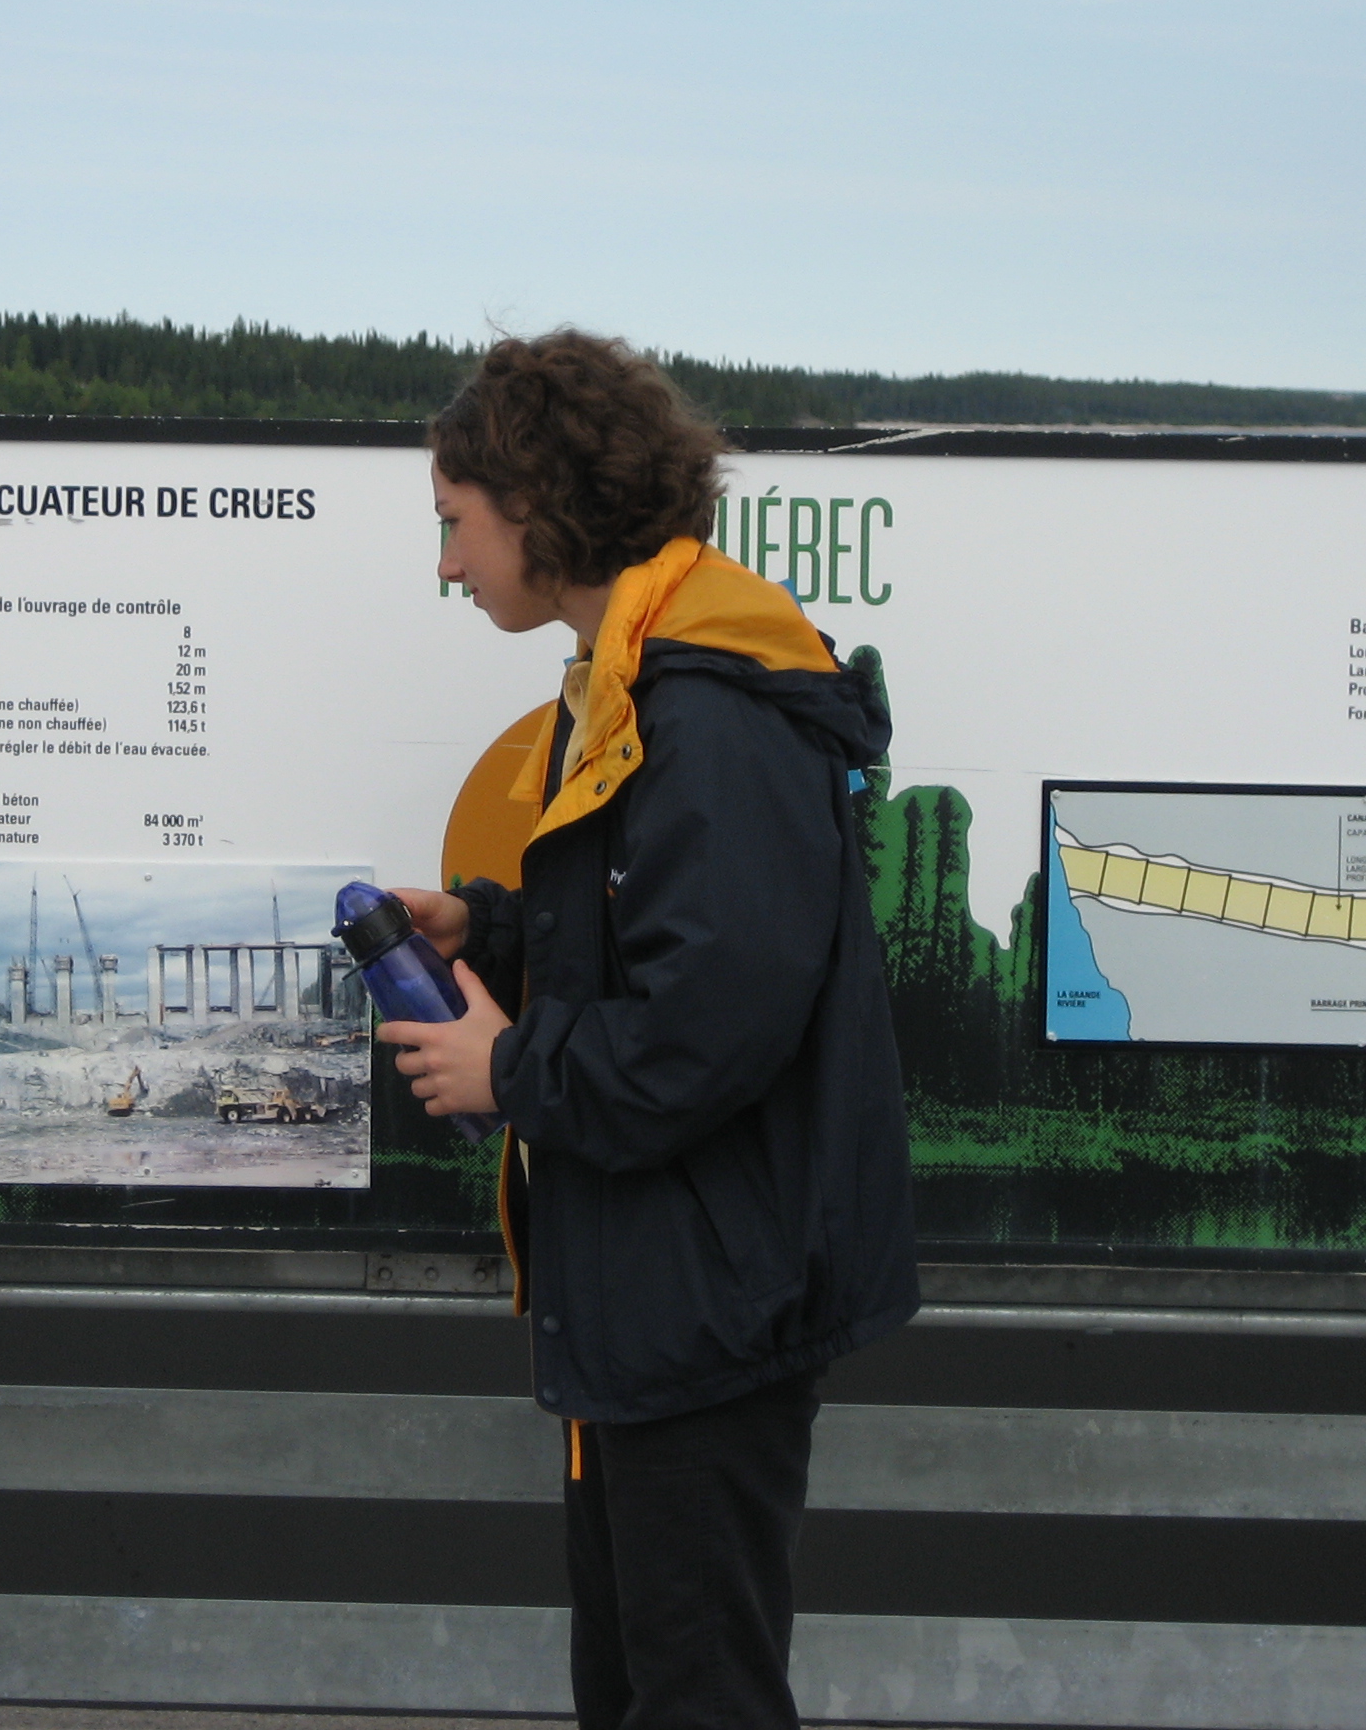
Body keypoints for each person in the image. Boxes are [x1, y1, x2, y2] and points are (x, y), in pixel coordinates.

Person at [380, 331, 918, 1730]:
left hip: (705, 1313)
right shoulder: (637, 680)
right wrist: (490, 931)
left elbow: (703, 1033)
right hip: (650, 1298)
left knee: (696, 1697)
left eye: (453, 524)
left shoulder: (711, 717)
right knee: (632, 1690)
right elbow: (666, 933)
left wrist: (503, 1066)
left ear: (533, 505)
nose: (446, 565)